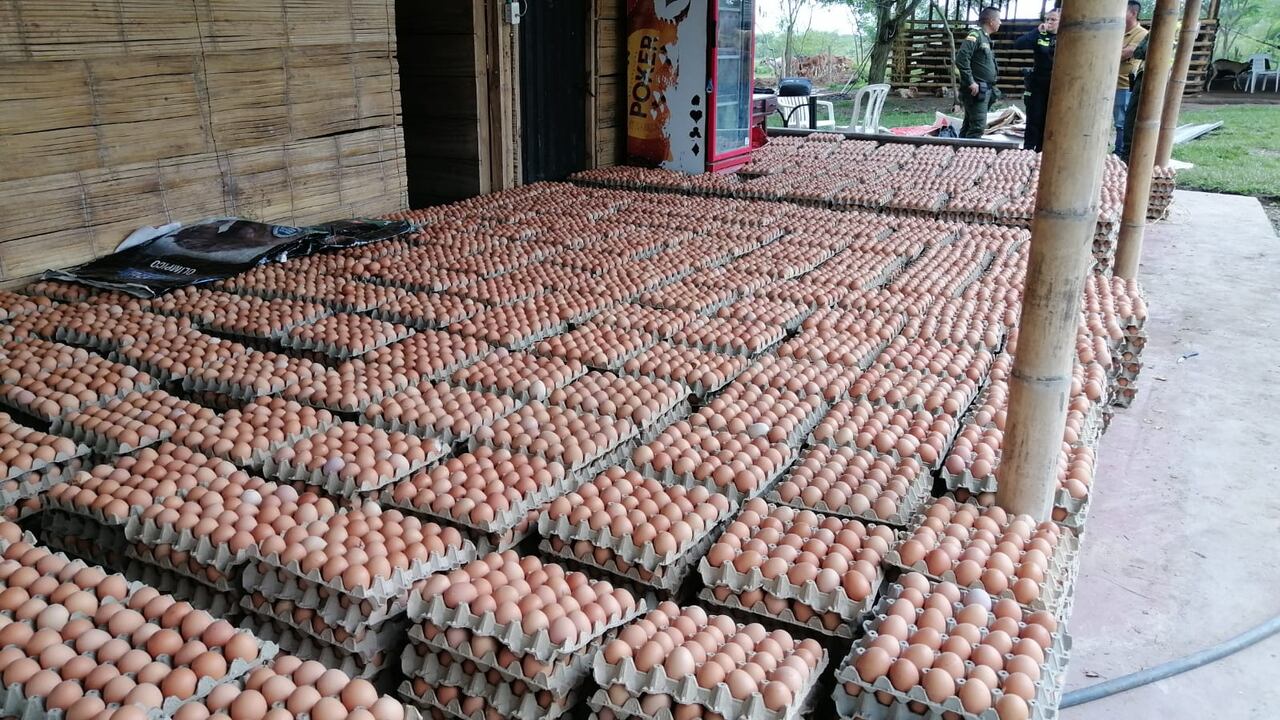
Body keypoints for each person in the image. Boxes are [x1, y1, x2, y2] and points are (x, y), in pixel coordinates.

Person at [1013, 9, 1059, 151]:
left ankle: (1041, 151)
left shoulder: (1066, 36)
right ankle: (1028, 149)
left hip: (1058, 84)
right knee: (1034, 117)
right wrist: (1036, 31)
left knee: (1049, 119)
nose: (1049, 22)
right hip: (1038, 82)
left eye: (1053, 19)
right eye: (1047, 19)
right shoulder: (1040, 34)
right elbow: (1018, 44)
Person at [955, 6, 1003, 139]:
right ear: (991, 21)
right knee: (977, 127)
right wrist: (970, 82)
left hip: (984, 89)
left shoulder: (986, 38)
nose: (1000, 22)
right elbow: (961, 59)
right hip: (976, 90)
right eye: (999, 19)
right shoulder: (976, 35)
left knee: (969, 125)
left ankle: (959, 149)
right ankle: (969, 151)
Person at [1114, 0, 1149, 156]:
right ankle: (1118, 152)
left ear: (1133, 13)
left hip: (1124, 84)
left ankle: (1121, 153)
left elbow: (1125, 53)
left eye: (1124, 11)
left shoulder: (1141, 34)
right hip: (1111, 83)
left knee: (1122, 122)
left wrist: (1110, 51)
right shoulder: (1117, 31)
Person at [1121, 33, 1150, 163]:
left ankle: (1131, 156)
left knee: (1135, 117)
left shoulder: (1166, 30)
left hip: (1150, 76)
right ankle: (1128, 155)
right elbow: (1138, 52)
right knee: (1131, 116)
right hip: (1143, 75)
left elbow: (1141, 51)